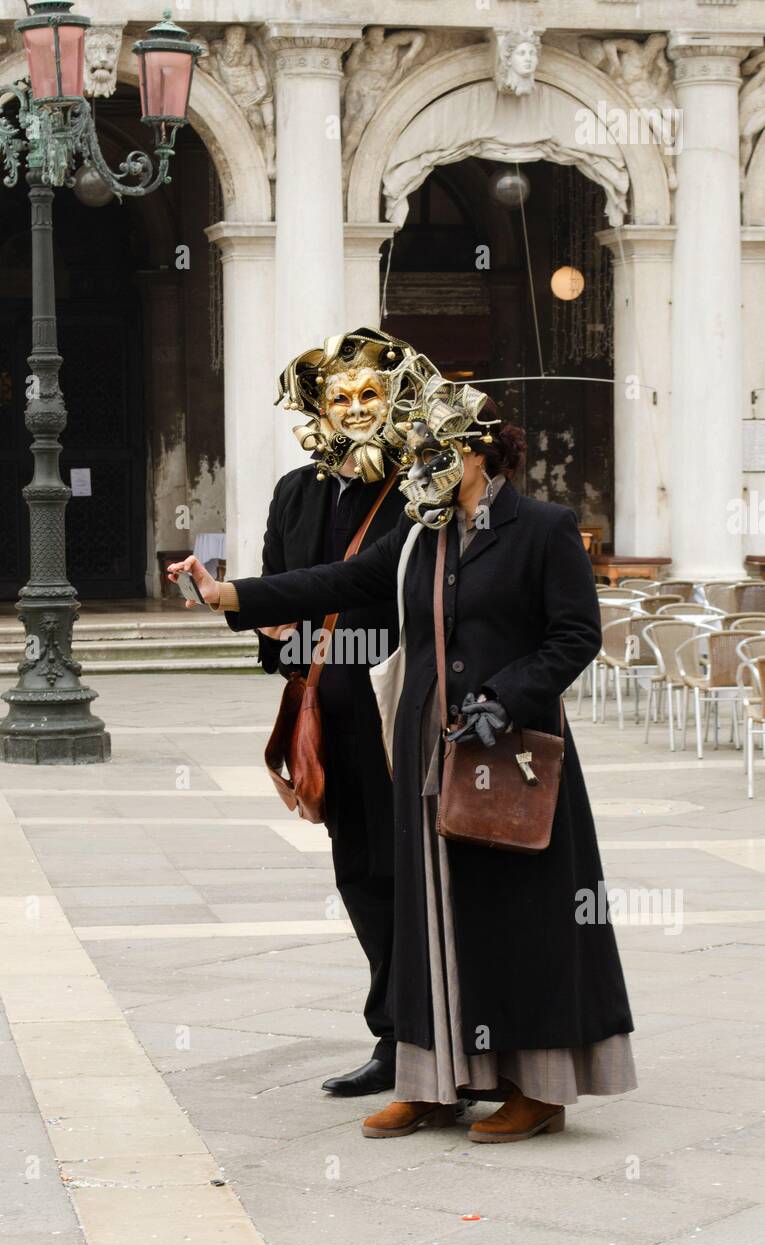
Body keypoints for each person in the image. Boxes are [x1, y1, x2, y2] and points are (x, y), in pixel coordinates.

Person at [169, 370, 636, 1143]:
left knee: (516, 913)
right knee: (430, 913)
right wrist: (228, 596)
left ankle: (536, 1088)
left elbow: (574, 636)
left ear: (479, 451)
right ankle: (435, 1081)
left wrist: (506, 696)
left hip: (510, 747)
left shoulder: (542, 528)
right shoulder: (419, 533)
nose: (415, 462)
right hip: (424, 743)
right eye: (412, 449)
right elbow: (340, 579)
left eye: (430, 448)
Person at [228, 328, 415, 1098]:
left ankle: (429, 1032)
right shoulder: (293, 491)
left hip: (396, 707)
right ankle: (392, 1035)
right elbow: (283, 583)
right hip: (326, 711)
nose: (355, 408)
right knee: (358, 871)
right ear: (318, 408)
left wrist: (250, 601)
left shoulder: (414, 487)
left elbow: (384, 589)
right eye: (340, 397)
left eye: (369, 393)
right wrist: (274, 637)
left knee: (405, 870)